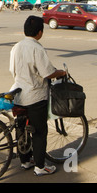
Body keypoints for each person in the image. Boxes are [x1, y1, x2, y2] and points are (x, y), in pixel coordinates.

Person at [9, 15, 66, 176]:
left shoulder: (16, 47)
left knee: (22, 129)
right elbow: (47, 72)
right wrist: (61, 72)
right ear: (40, 32)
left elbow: (11, 70)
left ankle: (25, 161)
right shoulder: (37, 48)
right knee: (39, 132)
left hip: (18, 95)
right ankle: (40, 167)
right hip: (35, 97)